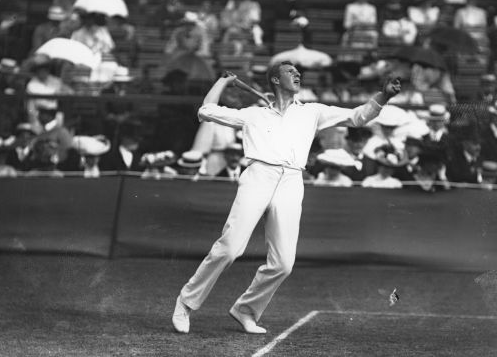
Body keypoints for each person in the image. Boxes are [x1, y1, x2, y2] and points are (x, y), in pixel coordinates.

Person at [171, 60, 401, 334]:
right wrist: (222, 81)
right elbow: (206, 111)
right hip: (258, 176)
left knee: (283, 263)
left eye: (298, 72)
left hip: (292, 180)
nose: (298, 74)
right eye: (290, 72)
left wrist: (384, 95)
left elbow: (358, 116)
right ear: (276, 80)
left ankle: (246, 310)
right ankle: (185, 303)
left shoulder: (313, 112)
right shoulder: (253, 115)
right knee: (230, 248)